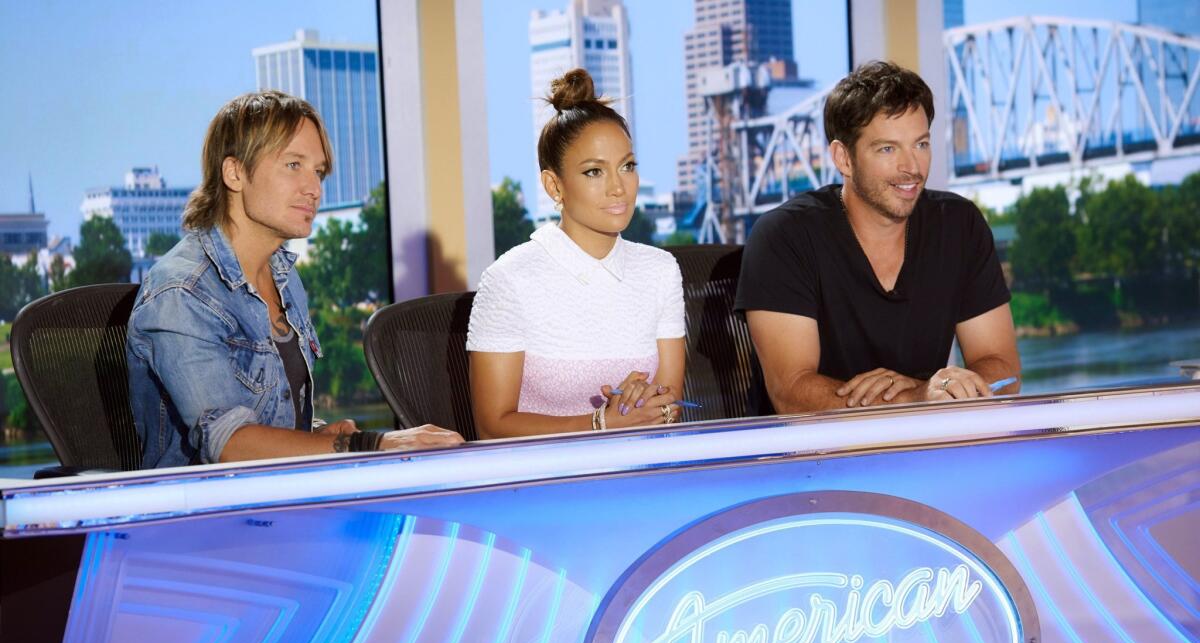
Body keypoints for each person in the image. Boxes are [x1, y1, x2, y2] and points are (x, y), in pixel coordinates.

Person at [126, 91, 463, 468]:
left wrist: (324, 435)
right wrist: (369, 444)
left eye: (317, 172)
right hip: (205, 515)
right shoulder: (182, 291)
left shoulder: (283, 276)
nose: (314, 189)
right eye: (293, 165)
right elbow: (230, 443)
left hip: (283, 499)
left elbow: (276, 418)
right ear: (234, 172)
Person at [735, 61, 1020, 414]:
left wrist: (934, 391)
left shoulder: (960, 224)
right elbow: (791, 393)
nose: (912, 167)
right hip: (814, 458)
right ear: (844, 158)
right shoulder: (783, 237)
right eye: (887, 149)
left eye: (921, 144)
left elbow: (1002, 368)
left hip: (924, 452)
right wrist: (916, 398)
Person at [466, 68, 685, 438]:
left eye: (627, 167)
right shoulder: (509, 279)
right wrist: (600, 424)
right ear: (554, 185)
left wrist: (652, 407)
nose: (619, 188)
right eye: (594, 172)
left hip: (641, 472)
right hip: (545, 483)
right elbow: (492, 426)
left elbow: (666, 407)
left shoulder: (661, 271)